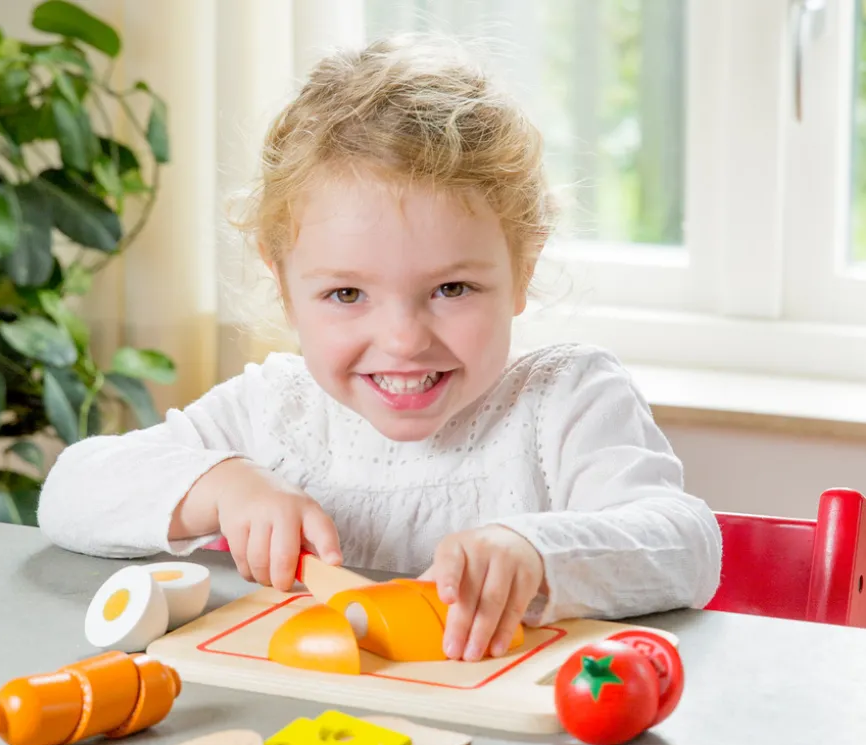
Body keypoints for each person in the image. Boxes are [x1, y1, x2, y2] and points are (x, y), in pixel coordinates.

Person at [38, 36, 722, 662]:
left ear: (524, 269)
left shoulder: (566, 400)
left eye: (452, 287)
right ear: (284, 287)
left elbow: (686, 545)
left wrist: (536, 549)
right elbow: (70, 490)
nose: (402, 340)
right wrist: (222, 486)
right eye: (346, 295)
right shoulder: (274, 411)